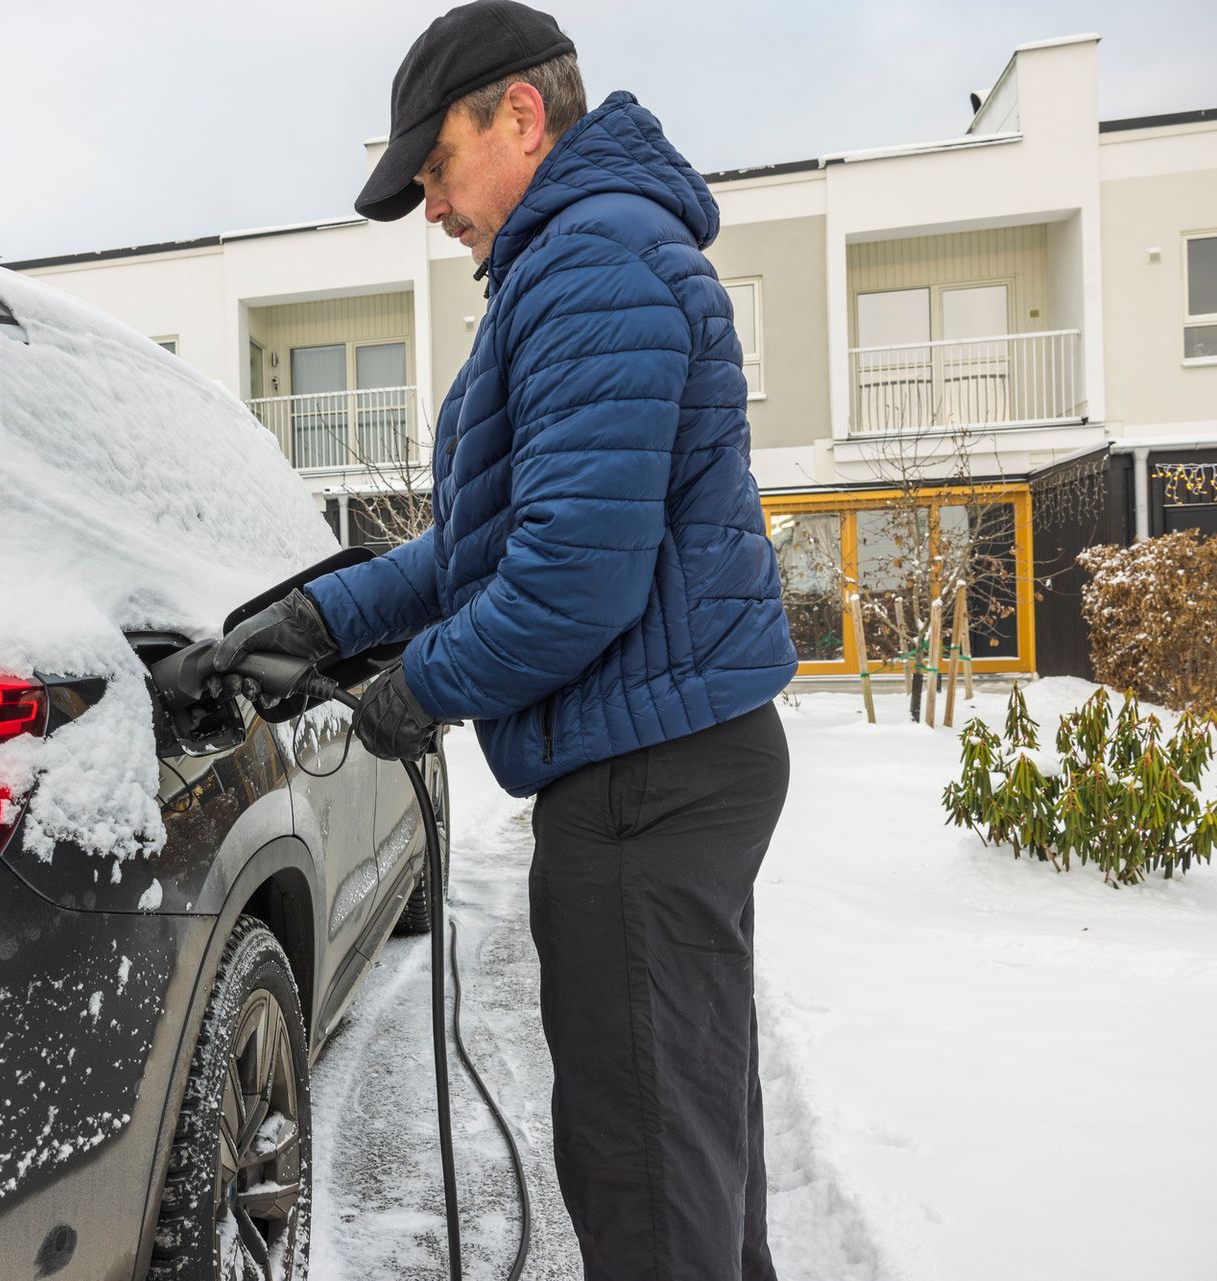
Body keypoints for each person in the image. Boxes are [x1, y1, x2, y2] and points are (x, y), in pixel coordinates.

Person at [213, 3, 799, 1277]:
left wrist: (411, 695)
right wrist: (321, 621)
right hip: (666, 761)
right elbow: (481, 551)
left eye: (437, 168)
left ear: (520, 116)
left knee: (646, 1172)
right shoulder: (578, 259)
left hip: (650, 783)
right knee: (684, 1149)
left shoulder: (591, 263)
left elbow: (572, 583)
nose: (433, 204)